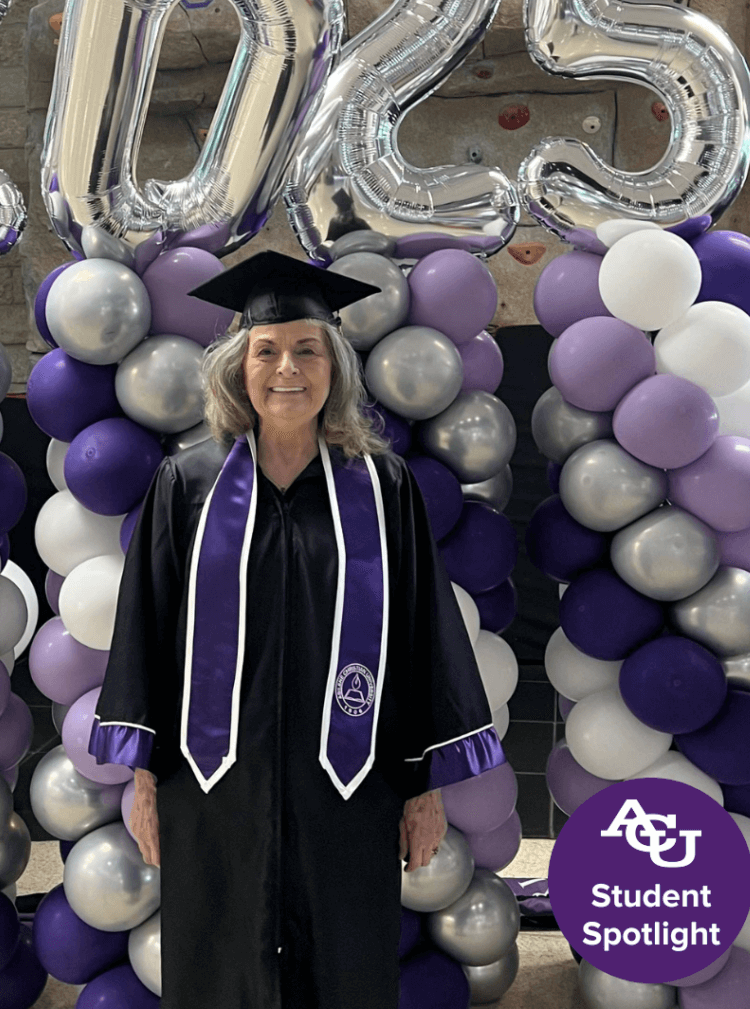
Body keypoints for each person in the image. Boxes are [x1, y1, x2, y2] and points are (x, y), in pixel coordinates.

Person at [90, 250, 506, 1009]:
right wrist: (145, 781)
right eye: (267, 351)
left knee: (344, 963)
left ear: (334, 366)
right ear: (237, 368)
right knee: (219, 961)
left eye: (307, 350)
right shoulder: (188, 486)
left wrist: (421, 790)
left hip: (347, 784)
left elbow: (419, 639)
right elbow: (145, 630)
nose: (288, 368)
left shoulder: (381, 489)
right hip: (214, 787)